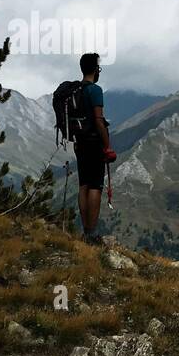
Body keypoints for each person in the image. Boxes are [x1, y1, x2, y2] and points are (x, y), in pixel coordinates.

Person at [74, 52, 116, 244]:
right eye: (98, 67)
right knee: (95, 186)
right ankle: (91, 234)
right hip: (93, 143)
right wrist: (107, 147)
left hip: (79, 143)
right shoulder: (95, 90)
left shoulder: (75, 90)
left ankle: (85, 231)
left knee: (83, 185)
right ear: (95, 69)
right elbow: (99, 120)